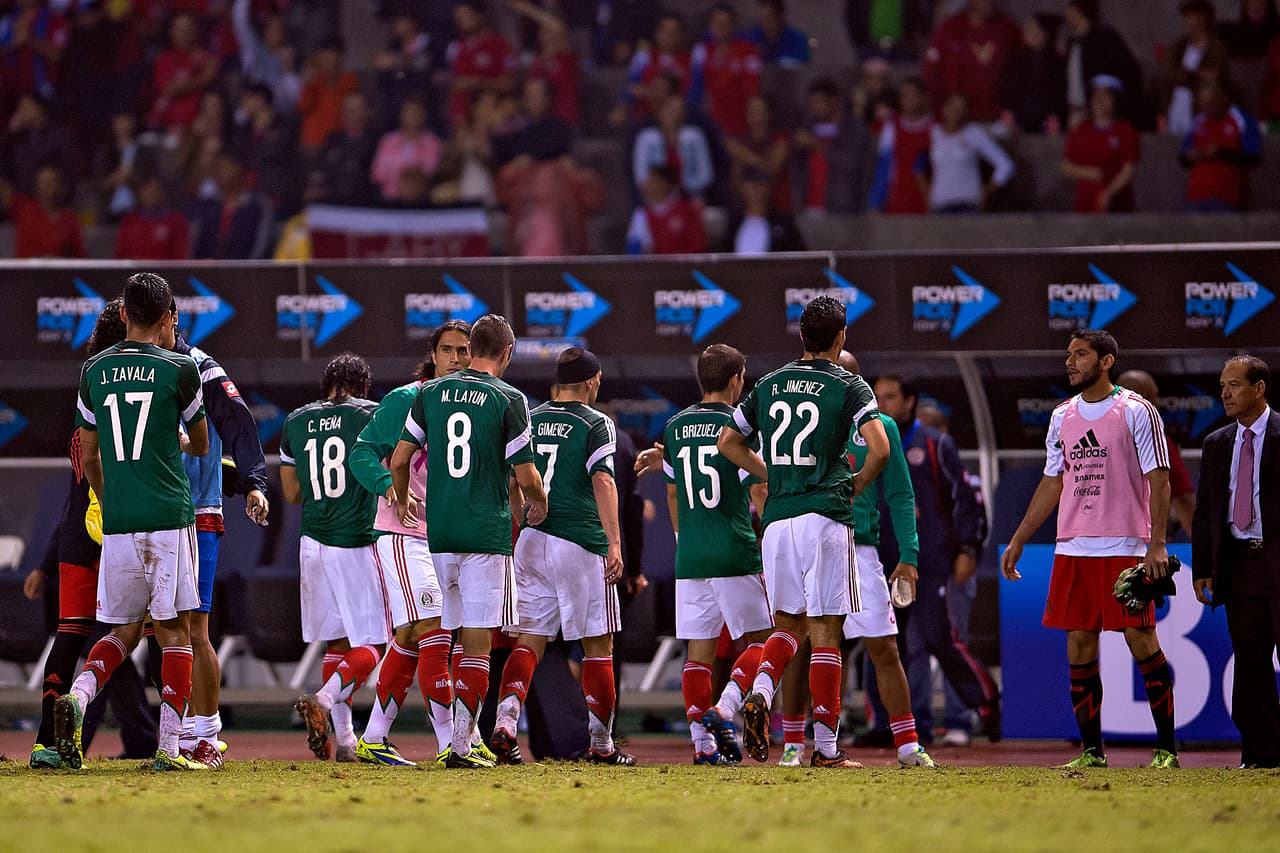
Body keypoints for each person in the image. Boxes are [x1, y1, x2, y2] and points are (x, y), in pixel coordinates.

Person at [718, 295, 889, 768]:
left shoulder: (769, 383)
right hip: (825, 514)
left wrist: (768, 473)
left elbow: (727, 442)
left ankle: (759, 691)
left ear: (801, 336)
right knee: (827, 631)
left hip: (777, 521)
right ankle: (828, 750)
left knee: (787, 625)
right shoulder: (849, 384)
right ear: (841, 337)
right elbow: (880, 448)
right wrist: (855, 484)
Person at [1002, 329, 1178, 769]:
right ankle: (1092, 753)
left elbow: (1161, 480)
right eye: (1068, 355)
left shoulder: (1137, 410)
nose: (1070, 362)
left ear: (1105, 362)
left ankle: (1168, 751)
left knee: (1142, 641)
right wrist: (1021, 536)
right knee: (1079, 646)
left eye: (1080, 355)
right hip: (1074, 547)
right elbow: (1053, 480)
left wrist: (1156, 544)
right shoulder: (1062, 415)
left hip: (1125, 545)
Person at [55, 272, 210, 772]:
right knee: (175, 630)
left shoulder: (93, 371)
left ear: (123, 314)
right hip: (169, 516)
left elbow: (90, 454)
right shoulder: (181, 368)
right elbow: (202, 443)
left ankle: (77, 698)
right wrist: (179, 442)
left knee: (121, 631)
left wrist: (108, 497)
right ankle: (168, 747)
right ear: (167, 318)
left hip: (119, 522)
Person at [390, 314, 549, 769]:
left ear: (471, 347)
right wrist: (539, 502)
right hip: (485, 532)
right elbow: (526, 475)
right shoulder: (509, 398)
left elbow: (399, 459)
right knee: (479, 641)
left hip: (439, 534)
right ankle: (461, 744)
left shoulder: (431, 394)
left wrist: (401, 501)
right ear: (508, 352)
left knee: (456, 637)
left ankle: (463, 741)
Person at [779, 351, 935, 768]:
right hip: (811, 543)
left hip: (860, 549)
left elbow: (900, 494)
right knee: (802, 645)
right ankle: (795, 741)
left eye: (841, 375)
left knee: (884, 647)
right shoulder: (802, 422)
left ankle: (907, 745)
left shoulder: (880, 428)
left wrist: (909, 555)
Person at [27, 298, 157, 769]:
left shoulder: (88, 390)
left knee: (70, 635)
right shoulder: (139, 386)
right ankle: (181, 737)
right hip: (123, 531)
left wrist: (46, 561)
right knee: (157, 629)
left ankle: (46, 741)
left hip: (78, 538)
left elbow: (74, 491)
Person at [488, 348, 634, 766]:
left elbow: (514, 476)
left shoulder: (529, 417)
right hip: (580, 542)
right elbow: (604, 480)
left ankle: (505, 723)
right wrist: (615, 543)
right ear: (591, 381)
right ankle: (602, 744)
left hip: (532, 542)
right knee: (598, 646)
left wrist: (524, 519)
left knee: (528, 641)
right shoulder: (596, 422)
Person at [631, 344, 775, 765]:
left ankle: (703, 745)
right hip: (733, 548)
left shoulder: (675, 426)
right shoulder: (740, 425)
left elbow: (673, 491)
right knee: (764, 642)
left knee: (698, 654)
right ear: (735, 381)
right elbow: (760, 488)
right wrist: (772, 538)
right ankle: (725, 707)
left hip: (691, 555)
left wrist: (682, 537)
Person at [344, 321, 475, 767]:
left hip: (447, 537)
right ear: (433, 355)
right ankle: (449, 745)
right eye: (449, 350)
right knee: (434, 628)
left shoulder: (480, 403)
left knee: (409, 636)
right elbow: (359, 453)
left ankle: (374, 738)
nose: (457, 359)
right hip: (403, 534)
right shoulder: (406, 399)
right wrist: (389, 487)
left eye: (465, 351)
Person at [864, 374, 1000, 745]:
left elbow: (966, 502)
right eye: (877, 397)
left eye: (890, 397)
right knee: (879, 642)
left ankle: (987, 703)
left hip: (932, 560)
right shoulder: (868, 440)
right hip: (882, 560)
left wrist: (967, 550)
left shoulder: (936, 444)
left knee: (940, 637)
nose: (882, 403)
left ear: (910, 401)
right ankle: (886, 725)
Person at [171, 327, 270, 764]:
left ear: (170, 319)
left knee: (193, 630)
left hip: (196, 513)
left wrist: (252, 481)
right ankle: (178, 733)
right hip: (147, 517)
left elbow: (237, 422)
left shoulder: (200, 367)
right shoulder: (125, 368)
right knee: (157, 631)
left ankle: (207, 733)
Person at [286, 354, 387, 764]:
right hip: (355, 540)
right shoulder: (373, 414)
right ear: (363, 386)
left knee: (338, 642)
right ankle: (325, 700)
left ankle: (345, 740)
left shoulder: (295, 420)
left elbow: (292, 493)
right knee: (373, 644)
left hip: (312, 542)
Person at [1192, 355, 1280, 769]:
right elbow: (1206, 510)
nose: (1224, 393)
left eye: (1234, 385)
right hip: (1240, 567)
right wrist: (1203, 568)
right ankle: (1262, 754)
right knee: (1250, 660)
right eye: (1222, 385)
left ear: (1259, 388)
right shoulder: (1216, 442)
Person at [1117, 370, 1196, 535]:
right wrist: (1202, 546)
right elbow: (1182, 499)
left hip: (1098, 541)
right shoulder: (1159, 442)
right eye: (1154, 396)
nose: (1157, 402)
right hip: (1144, 542)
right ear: (1144, 398)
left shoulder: (1096, 438)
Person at [923, 0, 1022, 124]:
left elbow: (1022, 70)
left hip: (997, 117)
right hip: (955, 119)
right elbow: (931, 71)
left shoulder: (1009, 29)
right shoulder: (950, 27)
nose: (989, 3)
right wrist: (942, 106)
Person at [918, 93, 1015, 213]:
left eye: (960, 109)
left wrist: (986, 192)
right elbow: (918, 164)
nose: (955, 112)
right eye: (952, 107)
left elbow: (1005, 165)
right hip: (940, 202)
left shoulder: (974, 134)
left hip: (968, 202)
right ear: (944, 109)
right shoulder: (934, 133)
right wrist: (927, 195)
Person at [1179, 76, 1261, 213]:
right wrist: (1192, 155)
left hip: (1226, 198)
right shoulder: (1199, 121)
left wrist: (1220, 153)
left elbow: (1253, 157)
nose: (1206, 108)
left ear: (1224, 98)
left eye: (1211, 103)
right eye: (1203, 104)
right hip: (1195, 197)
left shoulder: (1242, 120)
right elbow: (1183, 157)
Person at [793, 78, 873, 215]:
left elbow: (852, 163)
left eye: (820, 102)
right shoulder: (808, 126)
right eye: (812, 104)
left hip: (841, 207)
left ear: (835, 101)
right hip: (809, 207)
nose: (815, 108)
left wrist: (816, 145)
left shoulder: (855, 129)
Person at [1061, 77, 1139, 212]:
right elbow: (1066, 166)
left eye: (1105, 95)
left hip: (1118, 206)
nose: (1100, 100)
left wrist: (1108, 193)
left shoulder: (1125, 131)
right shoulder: (1081, 130)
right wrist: (1090, 173)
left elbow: (1128, 170)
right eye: (1096, 94)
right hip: (1085, 205)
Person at [1062, 0, 1143, 128]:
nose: (1066, 13)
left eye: (1070, 9)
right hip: (1076, 109)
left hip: (1100, 111)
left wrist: (1107, 99)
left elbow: (1127, 71)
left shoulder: (1105, 39)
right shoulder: (1072, 43)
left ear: (1079, 11)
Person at [690, 4, 763, 138]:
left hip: (740, 121)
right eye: (717, 22)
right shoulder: (701, 50)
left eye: (726, 22)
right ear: (710, 25)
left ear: (734, 25)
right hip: (711, 121)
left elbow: (752, 90)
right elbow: (696, 89)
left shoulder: (748, 51)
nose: (721, 27)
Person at [1165, 0, 1232, 136]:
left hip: (1201, 111)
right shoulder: (1178, 46)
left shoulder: (1216, 48)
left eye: (1192, 16)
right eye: (1186, 16)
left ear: (1203, 18)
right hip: (1176, 107)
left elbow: (1215, 77)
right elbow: (1169, 75)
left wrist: (1187, 75)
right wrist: (1196, 75)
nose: (1188, 21)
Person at [613, 12, 692, 127]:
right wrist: (622, 108)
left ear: (681, 36)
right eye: (664, 31)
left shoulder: (691, 60)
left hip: (679, 119)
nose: (669, 36)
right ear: (657, 34)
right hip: (647, 117)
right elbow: (632, 88)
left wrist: (650, 93)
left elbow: (692, 93)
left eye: (674, 32)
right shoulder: (643, 58)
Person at [446, 1, 516, 128]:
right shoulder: (458, 48)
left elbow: (509, 84)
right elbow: (456, 86)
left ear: (480, 16)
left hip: (491, 114)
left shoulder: (499, 44)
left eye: (466, 15)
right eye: (459, 18)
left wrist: (477, 82)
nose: (463, 21)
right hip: (461, 120)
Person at [632, 93, 715, 199]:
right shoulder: (647, 138)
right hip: (656, 196)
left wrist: (686, 190)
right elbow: (640, 174)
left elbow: (706, 173)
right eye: (670, 111)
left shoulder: (694, 136)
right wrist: (658, 190)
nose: (673, 115)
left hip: (690, 194)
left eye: (678, 111)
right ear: (660, 113)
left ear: (683, 114)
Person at [869, 76, 932, 215]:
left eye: (911, 95)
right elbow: (883, 168)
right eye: (903, 96)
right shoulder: (891, 127)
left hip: (927, 200)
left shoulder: (935, 129)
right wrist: (875, 202)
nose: (906, 100)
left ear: (923, 97)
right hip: (898, 200)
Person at [0, 164, 84, 258]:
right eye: (43, 182)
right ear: (36, 185)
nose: (47, 186)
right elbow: (3, 190)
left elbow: (80, 259)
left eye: (52, 181)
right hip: (25, 271)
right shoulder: (24, 208)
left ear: (60, 185)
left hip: (56, 271)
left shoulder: (70, 219)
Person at [371, 96, 445, 202]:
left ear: (423, 115)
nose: (412, 115)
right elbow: (378, 173)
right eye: (408, 111)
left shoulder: (433, 142)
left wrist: (406, 175)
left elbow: (431, 171)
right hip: (390, 200)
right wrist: (405, 175)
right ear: (401, 115)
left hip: (422, 201)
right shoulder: (388, 140)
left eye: (415, 111)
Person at [625, 164, 707, 255]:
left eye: (653, 180)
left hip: (687, 267)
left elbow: (698, 247)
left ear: (665, 183)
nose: (646, 185)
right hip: (657, 268)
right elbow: (634, 254)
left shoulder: (688, 210)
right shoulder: (641, 215)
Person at [298, 38, 359, 152]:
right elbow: (302, 108)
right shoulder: (312, 82)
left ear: (340, 57)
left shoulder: (349, 80)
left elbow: (353, 111)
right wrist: (309, 84)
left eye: (332, 54)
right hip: (314, 143)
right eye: (323, 55)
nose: (328, 59)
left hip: (341, 143)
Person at [728, 167, 804, 254]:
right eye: (751, 184)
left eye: (761, 184)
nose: (756, 189)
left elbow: (800, 256)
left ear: (769, 187)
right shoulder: (734, 222)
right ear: (742, 188)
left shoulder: (783, 222)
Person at [747, 0, 810, 68]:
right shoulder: (750, 37)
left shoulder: (798, 39)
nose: (763, 22)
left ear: (780, 17)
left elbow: (802, 67)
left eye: (769, 17)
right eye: (761, 17)